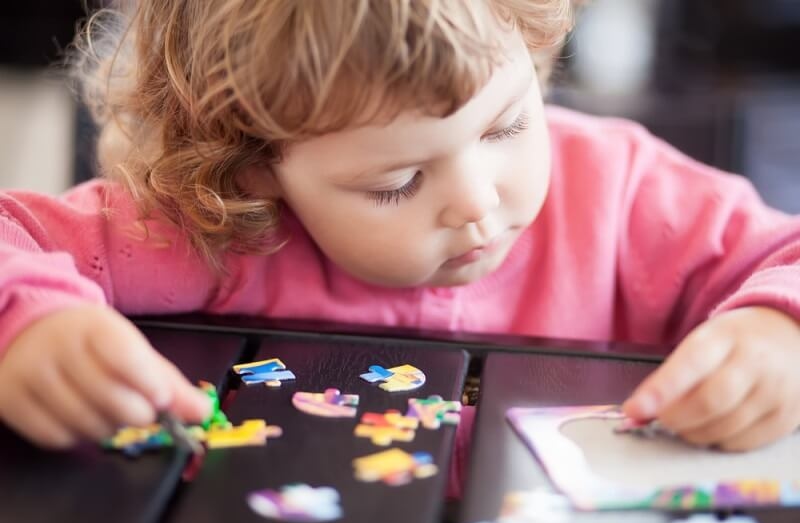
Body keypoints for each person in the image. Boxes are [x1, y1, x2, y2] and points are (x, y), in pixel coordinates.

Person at [0, 0, 799, 496]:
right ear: (257, 166)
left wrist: (779, 332)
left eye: (509, 127)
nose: (479, 202)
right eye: (399, 180)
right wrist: (31, 324)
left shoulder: (625, 195)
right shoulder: (219, 227)